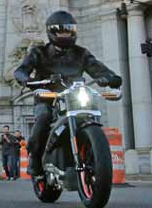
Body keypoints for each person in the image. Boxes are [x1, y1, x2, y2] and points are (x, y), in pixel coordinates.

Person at [14, 10, 122, 177]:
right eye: (62, 31)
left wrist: (111, 78)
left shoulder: (81, 53)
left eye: (68, 30)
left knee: (91, 114)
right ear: (52, 32)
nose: (65, 34)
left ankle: (90, 154)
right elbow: (21, 71)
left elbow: (97, 68)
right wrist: (28, 81)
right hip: (48, 97)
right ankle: (34, 157)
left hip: (75, 96)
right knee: (43, 118)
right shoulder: (39, 52)